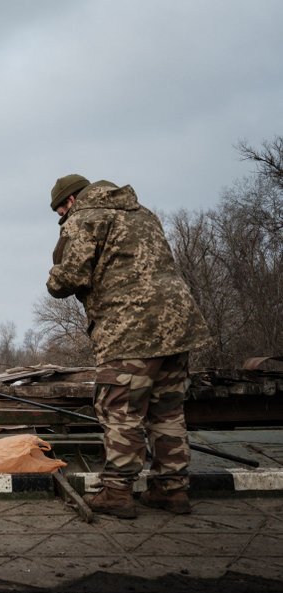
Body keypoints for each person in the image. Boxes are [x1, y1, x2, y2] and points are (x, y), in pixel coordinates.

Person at [46, 174, 211, 519]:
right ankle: (172, 490)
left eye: (61, 210)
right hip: (178, 324)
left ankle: (118, 493)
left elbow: (70, 276)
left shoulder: (86, 217)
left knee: (120, 410)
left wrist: (53, 278)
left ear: (71, 201)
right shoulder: (143, 213)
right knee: (166, 410)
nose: (63, 216)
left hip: (130, 328)